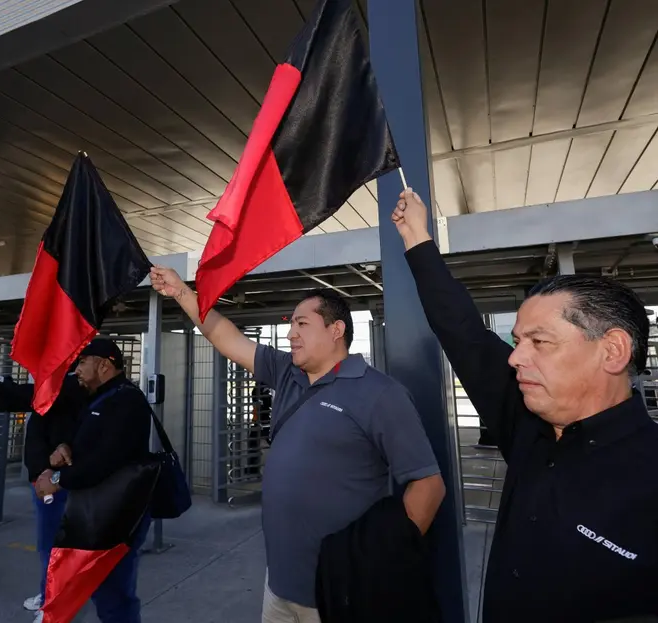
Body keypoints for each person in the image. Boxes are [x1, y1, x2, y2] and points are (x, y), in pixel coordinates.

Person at [392, 188, 658, 622]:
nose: (516, 357)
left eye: (539, 342)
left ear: (611, 351)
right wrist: (416, 236)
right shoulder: (525, 423)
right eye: (517, 341)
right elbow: (463, 331)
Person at [150, 268, 446, 623]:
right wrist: (182, 292)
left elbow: (429, 485)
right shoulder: (286, 373)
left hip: (340, 595)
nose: (291, 334)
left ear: (336, 330)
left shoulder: (381, 394)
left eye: (302, 325)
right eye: (291, 325)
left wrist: (383, 561)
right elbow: (225, 337)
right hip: (278, 587)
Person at [34, 339, 152, 623]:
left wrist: (59, 479)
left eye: (83, 362)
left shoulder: (126, 400)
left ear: (104, 364)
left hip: (117, 513)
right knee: (99, 585)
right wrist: (66, 447)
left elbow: (107, 459)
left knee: (113, 591)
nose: (77, 369)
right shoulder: (102, 398)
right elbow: (92, 445)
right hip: (97, 509)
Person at [0, 369, 84, 617]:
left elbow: (33, 396)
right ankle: (49, 594)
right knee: (51, 544)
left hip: (54, 478)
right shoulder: (63, 386)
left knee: (53, 546)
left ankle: (53, 603)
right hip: (45, 476)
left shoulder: (70, 385)